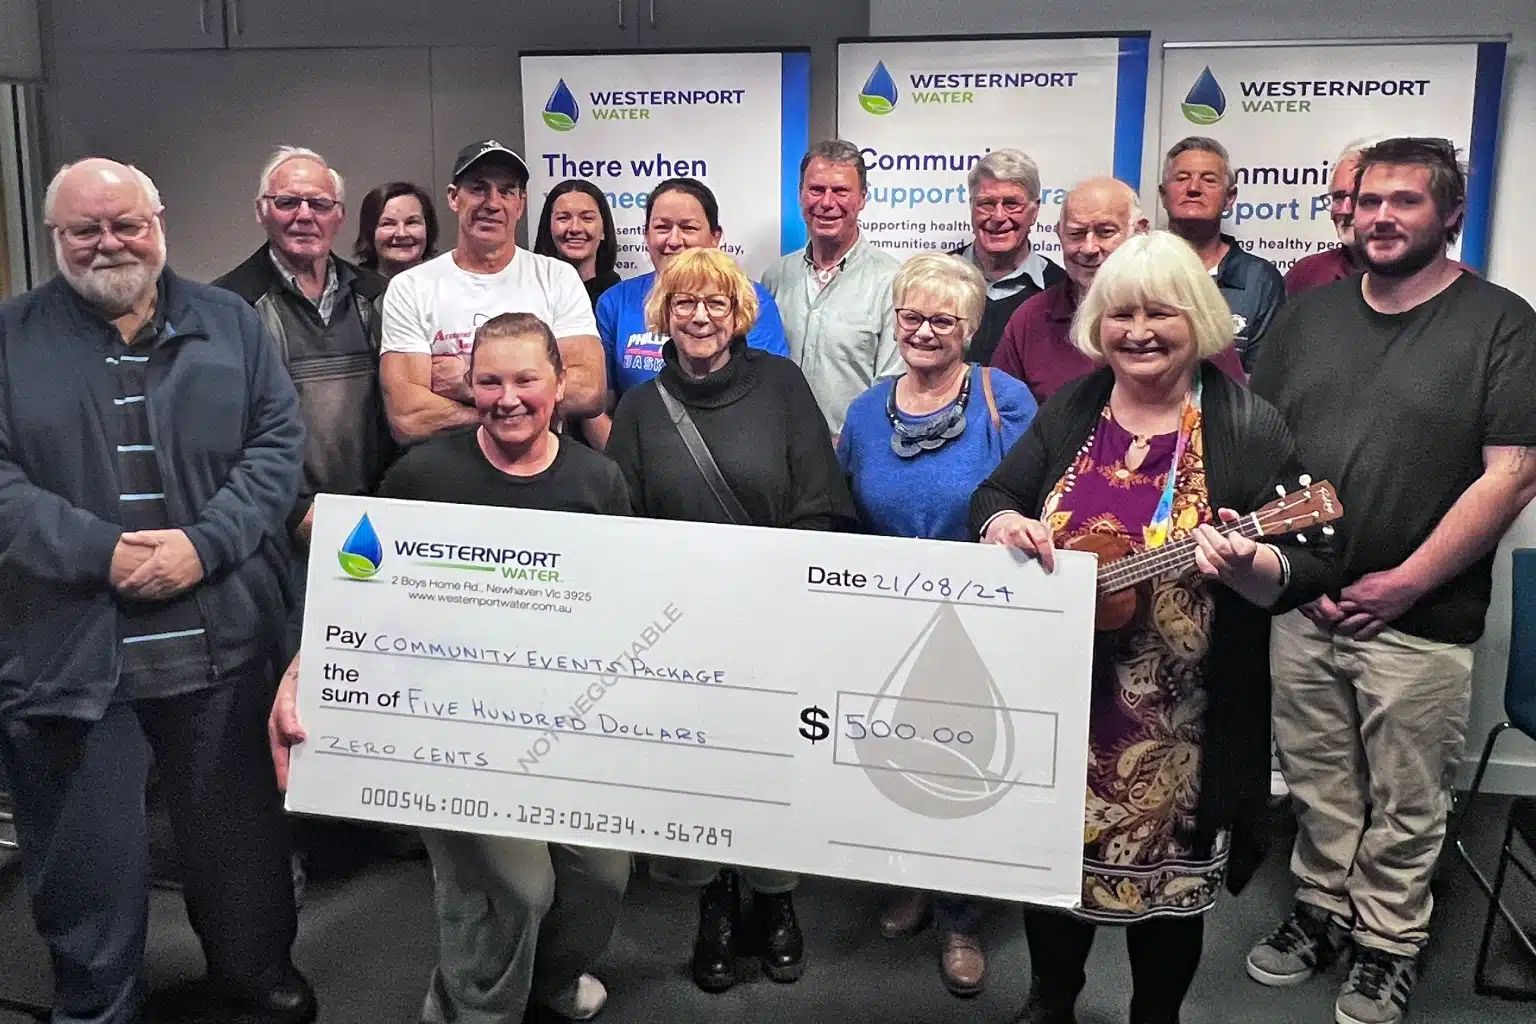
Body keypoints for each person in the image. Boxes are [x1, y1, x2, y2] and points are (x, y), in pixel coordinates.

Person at [968, 231, 1334, 1024]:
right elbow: (995, 494)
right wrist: (1004, 524)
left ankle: (1155, 1017)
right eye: (1121, 314)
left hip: (1183, 729)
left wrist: (1250, 564)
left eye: (1159, 313)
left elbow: (1312, 560)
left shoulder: (1245, 424)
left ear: (1197, 316)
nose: (1138, 332)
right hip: (1060, 708)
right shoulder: (1074, 407)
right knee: (1050, 878)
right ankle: (1051, 1000)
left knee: (1170, 903)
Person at [0, 158, 310, 1023]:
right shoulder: (10, 338)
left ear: (158, 221)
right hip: (70, 654)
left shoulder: (230, 324)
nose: (109, 243)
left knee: (239, 846)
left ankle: (254, 979)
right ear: (55, 235)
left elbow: (277, 447)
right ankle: (98, 1003)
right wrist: (98, 552)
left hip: (220, 644)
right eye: (85, 229)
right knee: (86, 862)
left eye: (126, 223)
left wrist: (203, 546)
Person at [270, 312, 631, 1024]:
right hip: (451, 729)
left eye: (526, 380)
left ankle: (551, 980)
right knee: (518, 887)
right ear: (469, 385)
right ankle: (473, 1007)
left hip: (567, 719)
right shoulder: (425, 475)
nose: (508, 398)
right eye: (489, 381)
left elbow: (625, 599)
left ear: (560, 384)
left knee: (603, 873)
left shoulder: (600, 481)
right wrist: (306, 666)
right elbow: (360, 583)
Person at [1246, 137, 1536, 1024]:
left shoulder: (1502, 323)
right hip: (1304, 604)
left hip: (1420, 616)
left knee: (1409, 796)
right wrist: (1299, 572)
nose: (1380, 216)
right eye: (1368, 200)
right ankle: (1323, 908)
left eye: (1406, 201)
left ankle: (1389, 941)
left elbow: (1513, 475)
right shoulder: (1306, 318)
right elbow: (1264, 449)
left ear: (1450, 214)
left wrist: (1404, 583)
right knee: (1317, 777)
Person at [606, 247, 855, 993]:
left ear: (739, 312)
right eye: (684, 302)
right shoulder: (640, 409)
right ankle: (714, 900)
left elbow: (820, 498)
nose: (700, 316)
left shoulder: (781, 385)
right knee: (704, 768)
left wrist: (775, 587)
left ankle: (776, 900)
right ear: (663, 314)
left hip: (776, 616)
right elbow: (624, 527)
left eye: (716, 302)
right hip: (682, 627)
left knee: (774, 763)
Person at [837, 252, 1036, 997]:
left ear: (971, 328)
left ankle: (961, 917)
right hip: (888, 615)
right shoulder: (866, 410)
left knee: (965, 764)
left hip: (980, 618)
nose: (924, 332)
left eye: (943, 320)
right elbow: (846, 509)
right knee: (896, 758)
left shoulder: (1004, 399)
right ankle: (912, 880)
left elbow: (1032, 496)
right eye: (911, 317)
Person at [380, 139, 605, 445]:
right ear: (453, 197)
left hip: (539, 467)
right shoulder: (412, 287)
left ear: (521, 204)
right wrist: (523, 405)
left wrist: (467, 381)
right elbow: (408, 417)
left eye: (507, 191)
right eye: (479, 188)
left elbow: (588, 390)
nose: (492, 203)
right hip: (444, 467)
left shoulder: (557, 278)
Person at [992, 177, 1245, 405]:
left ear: (1140, 231)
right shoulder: (1031, 319)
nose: (1089, 248)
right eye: (1076, 234)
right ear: (1059, 234)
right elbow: (1000, 415)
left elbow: (1236, 415)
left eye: (1105, 232)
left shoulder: (1188, 311)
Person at [595, 178, 788, 403]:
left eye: (688, 228)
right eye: (662, 227)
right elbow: (600, 404)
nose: (674, 240)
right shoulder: (615, 302)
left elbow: (769, 393)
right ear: (646, 235)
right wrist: (630, 429)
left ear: (715, 237)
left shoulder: (750, 298)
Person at [761, 139, 901, 440]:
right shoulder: (775, 277)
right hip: (777, 450)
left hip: (852, 455)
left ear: (862, 198)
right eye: (816, 190)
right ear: (800, 195)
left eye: (840, 191)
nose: (826, 202)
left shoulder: (892, 281)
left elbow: (891, 388)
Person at [1158, 136, 1285, 372]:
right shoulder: (1138, 270)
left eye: (1208, 180)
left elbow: (1264, 378)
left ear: (1230, 198)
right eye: (1182, 178)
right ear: (1163, 195)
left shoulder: (1259, 281)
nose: (1193, 188)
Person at [946, 149, 1065, 367]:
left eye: (1011, 204)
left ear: (1035, 211)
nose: (998, 216)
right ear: (971, 206)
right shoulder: (937, 277)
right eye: (986, 203)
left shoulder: (1063, 291)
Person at [534, 179, 621, 309]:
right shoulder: (529, 292)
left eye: (587, 218)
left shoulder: (619, 299)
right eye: (563, 218)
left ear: (604, 230)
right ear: (548, 228)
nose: (575, 228)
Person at [353, 180, 439, 278]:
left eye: (411, 222)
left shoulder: (444, 283)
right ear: (370, 232)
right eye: (388, 224)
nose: (402, 234)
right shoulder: (350, 285)